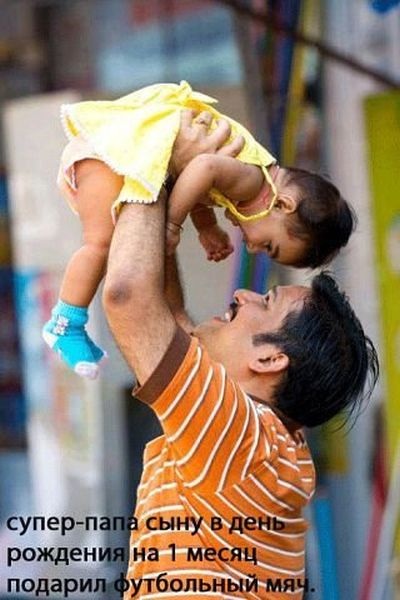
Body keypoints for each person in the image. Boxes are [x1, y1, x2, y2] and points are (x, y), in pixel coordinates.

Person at [101, 118, 379, 599]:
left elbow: (129, 298)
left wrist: (148, 159)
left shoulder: (240, 438)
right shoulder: (265, 446)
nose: (244, 295)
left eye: (265, 302)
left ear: (271, 359)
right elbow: (170, 320)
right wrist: (166, 182)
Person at [43, 81, 354, 379]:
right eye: (269, 245)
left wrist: (207, 227)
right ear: (283, 204)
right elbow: (203, 168)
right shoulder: (252, 181)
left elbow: (196, 176)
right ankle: (65, 323)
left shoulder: (248, 180)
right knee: (101, 245)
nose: (252, 247)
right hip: (115, 153)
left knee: (110, 244)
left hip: (118, 151)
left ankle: (70, 321)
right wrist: (171, 224)